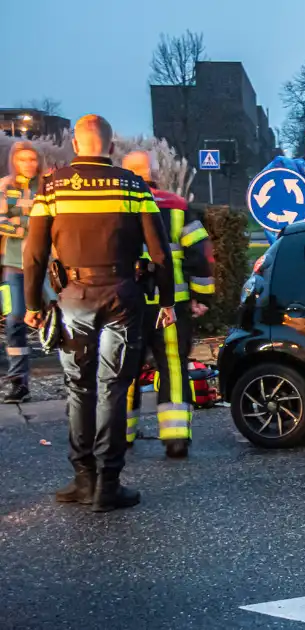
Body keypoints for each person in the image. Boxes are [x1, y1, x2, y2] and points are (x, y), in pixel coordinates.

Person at [25, 114, 175, 512]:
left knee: (78, 387)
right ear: (110, 148)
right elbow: (159, 252)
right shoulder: (132, 185)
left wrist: (32, 307)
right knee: (112, 387)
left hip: (72, 296)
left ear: (75, 145)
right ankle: (108, 486)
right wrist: (166, 302)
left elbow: (35, 253)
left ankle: (83, 478)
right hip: (122, 296)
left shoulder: (52, 188)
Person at [120, 151, 215, 457]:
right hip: (171, 303)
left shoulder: (117, 205)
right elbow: (200, 253)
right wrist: (202, 296)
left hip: (127, 303)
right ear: (156, 173)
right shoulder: (176, 205)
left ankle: (123, 435)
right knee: (173, 365)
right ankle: (175, 439)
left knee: (124, 368)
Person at [0, 142, 44, 403]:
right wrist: (30, 225)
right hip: (14, 264)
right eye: (23, 159)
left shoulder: (47, 186)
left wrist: (19, 221)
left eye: (32, 159)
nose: (29, 164)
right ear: (14, 161)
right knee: (15, 321)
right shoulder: (4, 186)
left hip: (47, 265)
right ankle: (19, 383)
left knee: (60, 320)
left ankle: (76, 377)